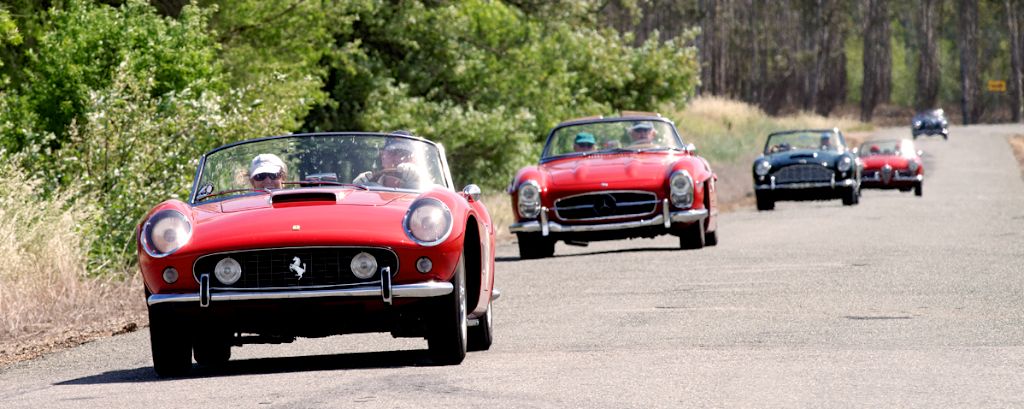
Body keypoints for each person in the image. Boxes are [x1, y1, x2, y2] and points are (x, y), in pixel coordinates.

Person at [353, 137, 426, 189]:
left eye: (404, 154)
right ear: (382, 157)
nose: (398, 159)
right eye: (392, 153)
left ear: (413, 160)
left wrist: (419, 182)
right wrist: (357, 188)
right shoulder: (369, 184)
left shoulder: (423, 187)